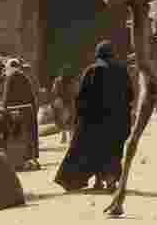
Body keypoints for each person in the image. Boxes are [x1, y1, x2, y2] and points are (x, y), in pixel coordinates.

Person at [54, 41, 135, 192]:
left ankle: (96, 181)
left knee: (93, 150)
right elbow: (131, 95)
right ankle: (110, 181)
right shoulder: (122, 71)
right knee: (113, 151)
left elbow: (82, 97)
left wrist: (79, 117)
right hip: (117, 121)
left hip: (94, 121)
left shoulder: (91, 70)